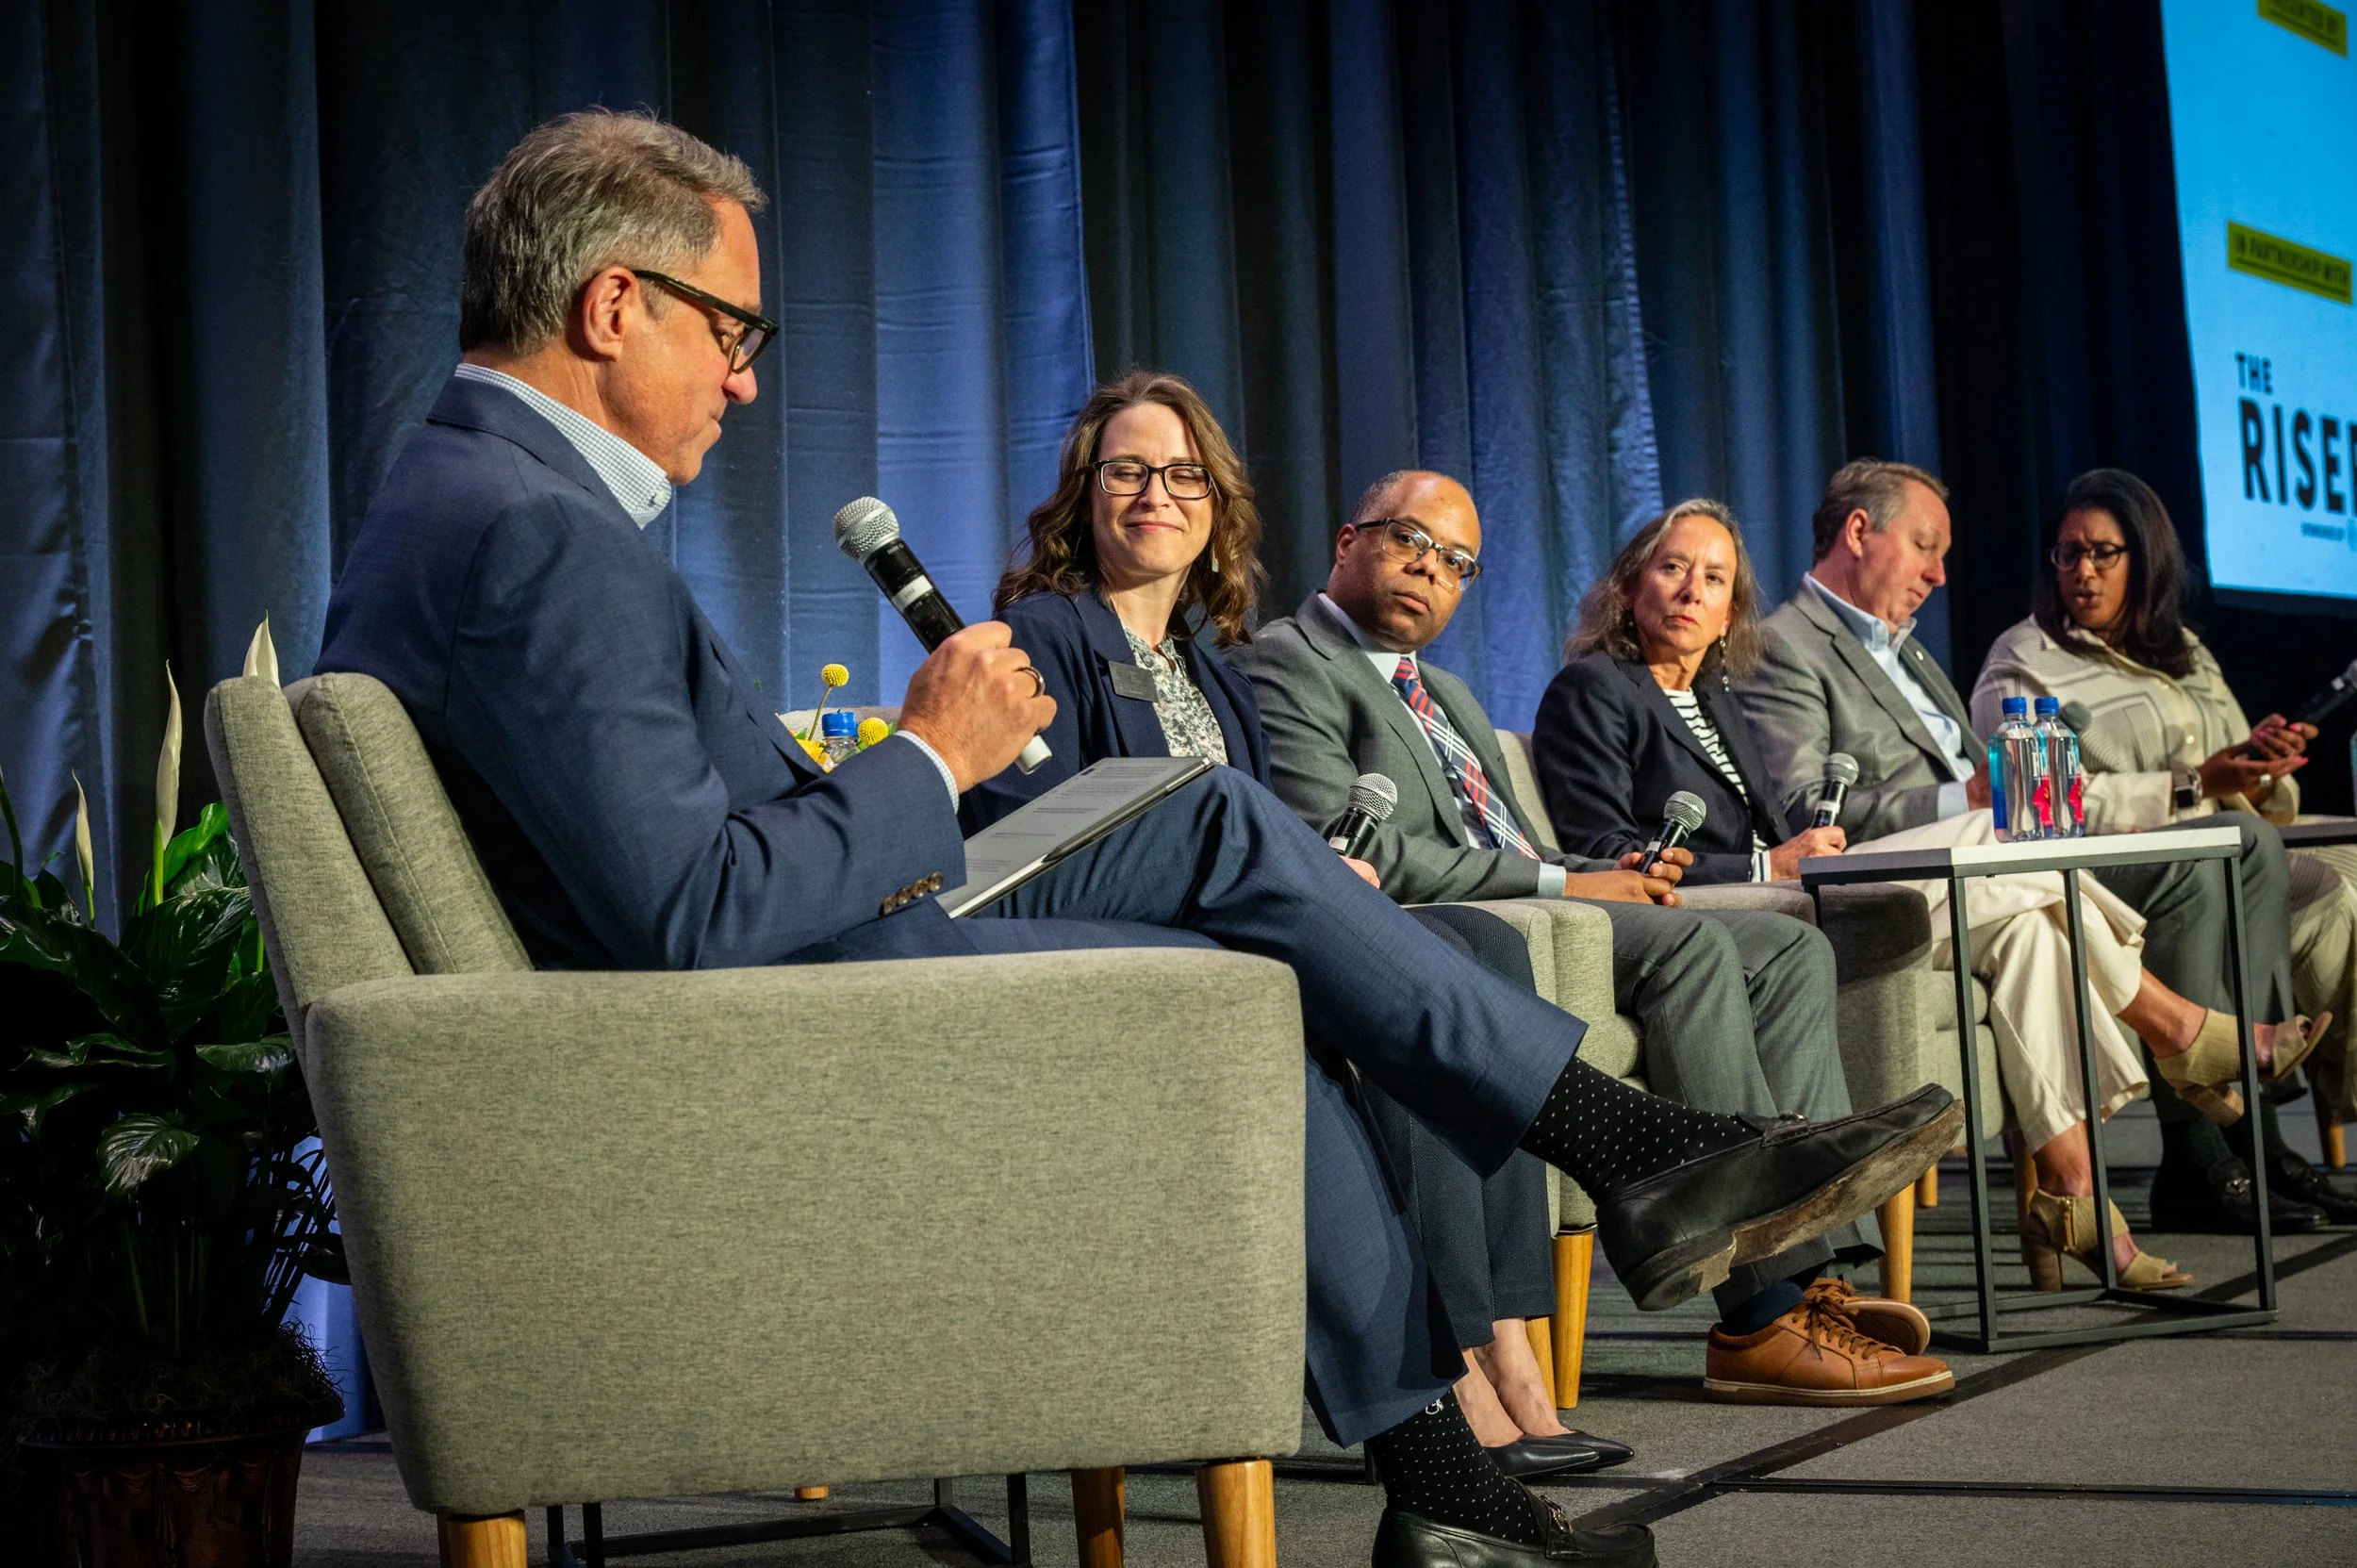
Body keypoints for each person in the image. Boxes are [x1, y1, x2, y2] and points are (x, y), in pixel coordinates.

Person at [312, 110, 1959, 1568]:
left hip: (811, 933)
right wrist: (923, 756)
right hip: (776, 1007)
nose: (747, 377)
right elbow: (692, 914)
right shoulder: (538, 537)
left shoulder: (469, 497)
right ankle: (1503, 1380)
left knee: (1210, 813)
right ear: (614, 305)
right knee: (1251, 968)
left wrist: (933, 779)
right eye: (731, 331)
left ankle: (1584, 1231)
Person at [970, 369, 1630, 1477]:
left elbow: (1267, 834)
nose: (1155, 495)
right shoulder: (1042, 631)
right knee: (1392, 986)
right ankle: (1459, 1364)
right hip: (1131, 961)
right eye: (1126, 471)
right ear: (1085, 494)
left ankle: (1514, 1348)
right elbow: (1023, 839)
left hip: (1237, 936)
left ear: (1215, 503)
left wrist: (1324, 871)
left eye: (1183, 474)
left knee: (1484, 943)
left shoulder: (1213, 670)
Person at [1232, 470, 1954, 1408]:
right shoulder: (1289, 661)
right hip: (1443, 933)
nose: (1427, 568)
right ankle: (1759, 1312)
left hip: (1534, 901)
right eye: (1407, 539)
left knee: (1785, 949)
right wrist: (1569, 878)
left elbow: (1528, 844)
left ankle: (1795, 1253)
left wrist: (1594, 874)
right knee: (1693, 947)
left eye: (1454, 561)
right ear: (1345, 540)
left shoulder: (1442, 688)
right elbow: (1352, 854)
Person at [1538, 498, 2315, 1284]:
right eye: (1672, 569)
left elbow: (1776, 830)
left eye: (1714, 577)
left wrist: (1788, 858)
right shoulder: (1594, 690)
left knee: (2031, 932)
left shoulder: (1716, 697)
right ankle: (2178, 1027)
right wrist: (1765, 868)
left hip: (1793, 896)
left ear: (1731, 607)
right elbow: (1606, 858)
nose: (1690, 591)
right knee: (1995, 836)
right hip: (1724, 919)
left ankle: (2079, 1205)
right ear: (1630, 583)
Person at [1737, 458, 2328, 1239]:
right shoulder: (1786, 646)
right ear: (1858, 532)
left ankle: (2087, 1197)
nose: (1941, 575)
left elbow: (2024, 792)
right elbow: (1807, 811)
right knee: (2154, 853)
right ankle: (2186, 1050)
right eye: (1925, 546)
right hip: (1889, 882)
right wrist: (1970, 797)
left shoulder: (1906, 651)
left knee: (2154, 871)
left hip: (1999, 857)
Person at [1970, 468, 2357, 1226]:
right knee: (2214, 852)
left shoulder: (2184, 652)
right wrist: (2191, 784)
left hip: (2214, 846)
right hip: (2093, 867)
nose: (2081, 571)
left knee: (2251, 846)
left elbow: (2237, 781)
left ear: (2145, 561)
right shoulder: (2024, 659)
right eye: (2067, 553)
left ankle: (2258, 1135)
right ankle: (2195, 1154)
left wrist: (2258, 764)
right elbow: (2034, 807)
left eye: (2103, 554)